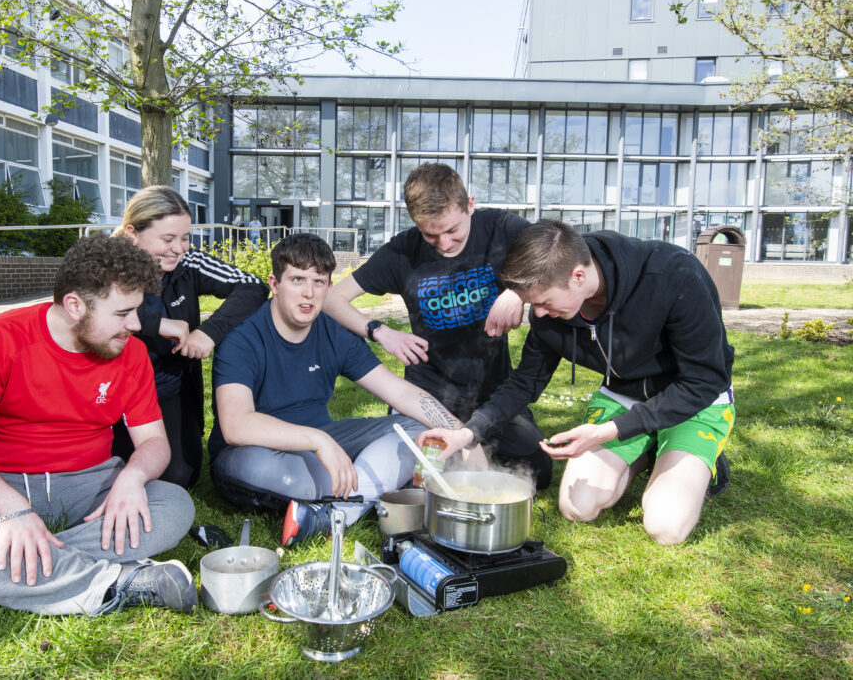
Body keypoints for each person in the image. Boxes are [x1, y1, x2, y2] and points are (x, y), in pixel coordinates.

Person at [0, 236, 198, 640]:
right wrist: (12, 510)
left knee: (173, 503)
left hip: (92, 486)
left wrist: (132, 480)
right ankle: (118, 583)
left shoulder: (129, 353)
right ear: (75, 305)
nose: (135, 325)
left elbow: (154, 442)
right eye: (123, 313)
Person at [417, 220, 735, 545]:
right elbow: (523, 384)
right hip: (625, 396)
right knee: (576, 507)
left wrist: (608, 432)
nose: (538, 315)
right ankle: (644, 450)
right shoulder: (553, 312)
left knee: (665, 528)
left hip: (693, 403)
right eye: (531, 304)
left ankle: (692, 456)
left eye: (543, 303)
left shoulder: (674, 274)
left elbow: (704, 380)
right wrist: (467, 434)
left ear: (578, 277)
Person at [206, 234, 476, 547]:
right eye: (297, 280)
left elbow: (400, 393)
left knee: (417, 428)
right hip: (258, 451)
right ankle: (359, 490)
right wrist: (319, 441)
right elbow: (236, 425)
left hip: (325, 440)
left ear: (329, 288)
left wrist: (463, 434)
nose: (308, 294)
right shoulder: (242, 337)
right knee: (269, 469)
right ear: (275, 284)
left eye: (319, 282)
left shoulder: (334, 332)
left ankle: (335, 513)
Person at [323, 162, 552, 489]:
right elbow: (332, 299)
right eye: (431, 234)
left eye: (452, 231)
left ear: (469, 205)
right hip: (428, 395)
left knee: (538, 471)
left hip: (493, 393)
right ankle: (455, 452)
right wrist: (379, 331)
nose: (444, 244)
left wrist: (518, 291)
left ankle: (472, 450)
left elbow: (554, 253)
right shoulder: (402, 251)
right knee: (421, 478)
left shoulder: (502, 228)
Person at [111, 186, 267, 488]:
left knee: (179, 477)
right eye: (167, 239)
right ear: (133, 233)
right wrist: (158, 324)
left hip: (168, 387)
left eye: (185, 237)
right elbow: (85, 309)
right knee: (107, 468)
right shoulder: (105, 262)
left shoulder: (188, 261)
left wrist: (209, 332)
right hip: (112, 389)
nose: (179, 248)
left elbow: (252, 287)